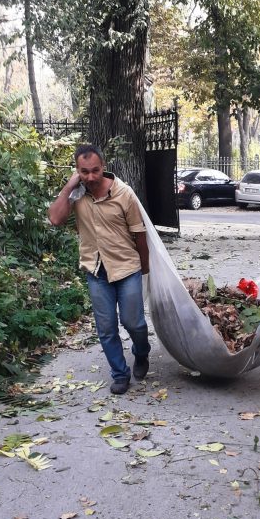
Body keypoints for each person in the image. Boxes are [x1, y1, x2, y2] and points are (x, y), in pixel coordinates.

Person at [48, 144, 150, 395]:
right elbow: (55, 219)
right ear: (77, 171)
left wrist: (145, 270)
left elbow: (140, 235)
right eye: (84, 172)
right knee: (106, 328)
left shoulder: (124, 193)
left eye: (95, 170)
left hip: (126, 267)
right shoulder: (76, 194)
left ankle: (141, 352)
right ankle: (120, 374)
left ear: (103, 166)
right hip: (96, 271)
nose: (91, 177)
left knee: (134, 322)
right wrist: (68, 187)